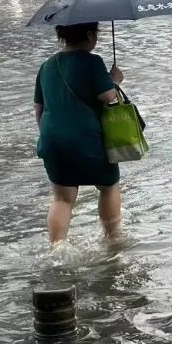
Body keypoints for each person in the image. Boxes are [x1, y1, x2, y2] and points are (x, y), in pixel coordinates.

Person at [33, 22, 124, 244]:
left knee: (63, 199)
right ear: (90, 34)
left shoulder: (47, 66)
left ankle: (57, 250)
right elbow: (108, 96)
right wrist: (115, 80)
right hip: (87, 139)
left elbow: (39, 109)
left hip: (52, 141)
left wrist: (52, 136)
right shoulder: (92, 62)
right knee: (108, 185)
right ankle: (113, 242)